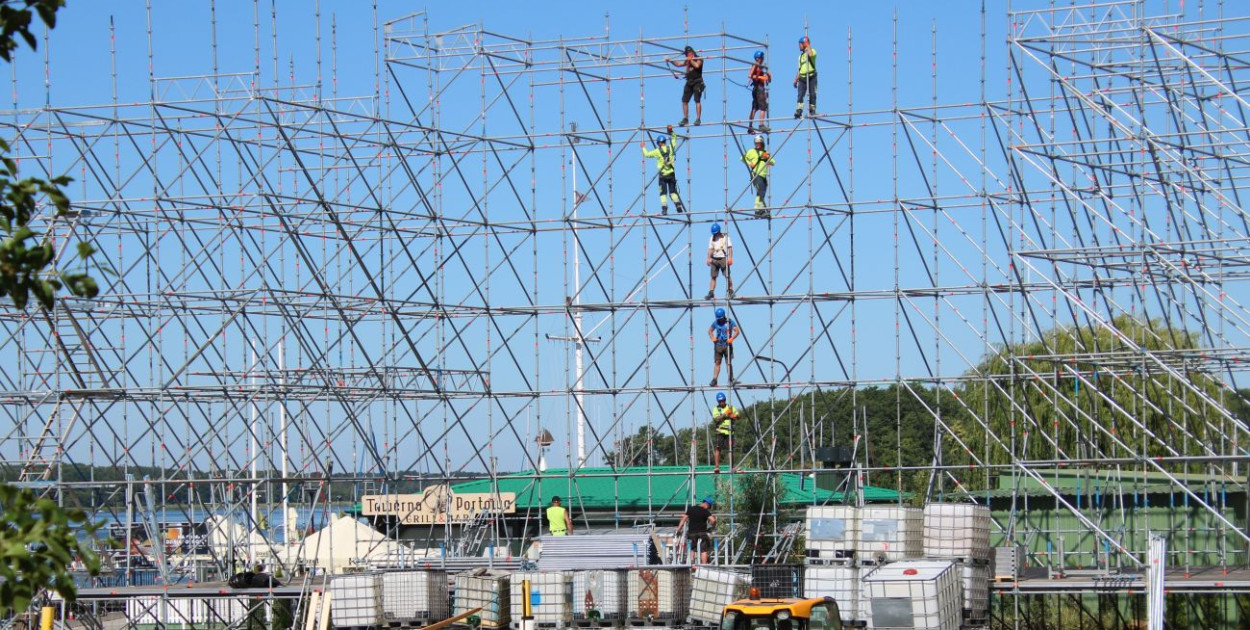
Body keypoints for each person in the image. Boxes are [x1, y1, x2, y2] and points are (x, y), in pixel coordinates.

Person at [640, 127, 685, 215]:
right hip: (671, 174)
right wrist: (671, 131)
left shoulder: (657, 151)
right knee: (673, 192)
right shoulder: (671, 148)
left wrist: (643, 147)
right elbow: (674, 138)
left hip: (662, 176)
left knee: (663, 193)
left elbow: (647, 154)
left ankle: (664, 208)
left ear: (659, 143)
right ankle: (678, 205)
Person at [670, 45, 704, 127]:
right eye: (687, 54)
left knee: (697, 100)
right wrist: (671, 61)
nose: (687, 55)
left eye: (689, 53)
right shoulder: (688, 60)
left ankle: (698, 118)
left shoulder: (698, 58)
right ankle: (685, 118)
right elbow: (678, 64)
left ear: (692, 52)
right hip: (689, 82)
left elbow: (697, 66)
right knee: (684, 100)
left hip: (697, 82)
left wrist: (691, 60)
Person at [742, 135, 775, 217]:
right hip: (756, 174)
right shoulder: (751, 151)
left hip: (763, 176)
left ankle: (759, 209)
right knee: (760, 189)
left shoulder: (765, 153)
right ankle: (758, 209)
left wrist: (768, 157)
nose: (757, 144)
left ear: (762, 143)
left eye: (759, 143)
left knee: (762, 192)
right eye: (756, 143)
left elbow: (773, 162)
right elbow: (742, 158)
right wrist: (750, 163)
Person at [677, 496, 717, 563]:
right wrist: (713, 526)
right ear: (707, 504)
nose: (709, 508)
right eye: (709, 507)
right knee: (703, 550)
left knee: (692, 549)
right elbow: (713, 520)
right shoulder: (705, 511)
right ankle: (704, 567)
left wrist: (678, 529)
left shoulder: (691, 509)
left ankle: (691, 565)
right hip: (702, 533)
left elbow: (683, 519)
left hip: (691, 533)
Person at [708, 307, 738, 387]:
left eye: (720, 318)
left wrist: (732, 338)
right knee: (717, 362)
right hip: (718, 344)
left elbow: (737, 331)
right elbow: (710, 330)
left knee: (728, 363)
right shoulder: (716, 323)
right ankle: (714, 379)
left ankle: (731, 379)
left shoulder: (730, 322)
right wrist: (712, 338)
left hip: (727, 344)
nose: (720, 320)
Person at [712, 392, 739, 474]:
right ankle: (717, 467)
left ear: (725, 400)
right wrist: (725, 414)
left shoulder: (730, 407)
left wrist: (733, 415)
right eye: (719, 402)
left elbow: (738, 416)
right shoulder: (716, 409)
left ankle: (732, 466)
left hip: (730, 432)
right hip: (720, 432)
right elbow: (716, 419)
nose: (721, 403)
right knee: (718, 448)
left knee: (730, 450)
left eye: (722, 401)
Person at [705, 222, 733, 299]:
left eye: (716, 233)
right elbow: (710, 249)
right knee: (713, 276)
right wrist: (708, 258)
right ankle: (711, 292)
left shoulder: (725, 238)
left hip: (723, 258)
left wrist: (730, 258)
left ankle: (730, 290)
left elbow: (730, 248)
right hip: (714, 259)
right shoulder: (712, 238)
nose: (715, 235)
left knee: (727, 275)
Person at [793, 36, 817, 119]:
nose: (799, 46)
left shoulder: (812, 51)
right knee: (800, 95)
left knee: (812, 93)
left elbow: (810, 54)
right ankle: (799, 110)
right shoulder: (800, 57)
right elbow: (800, 69)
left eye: (800, 44)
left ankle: (812, 110)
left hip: (811, 76)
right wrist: (796, 79)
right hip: (802, 78)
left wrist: (807, 45)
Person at [748, 50, 770, 133]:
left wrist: (767, 76)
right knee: (763, 107)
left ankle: (750, 127)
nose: (763, 59)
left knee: (754, 108)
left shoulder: (759, 67)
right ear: (759, 58)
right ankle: (761, 125)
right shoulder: (756, 65)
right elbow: (750, 75)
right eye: (762, 57)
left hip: (756, 88)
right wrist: (762, 78)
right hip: (759, 88)